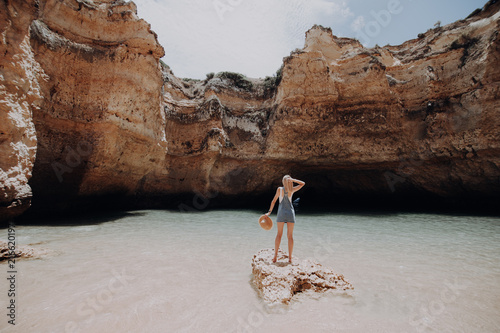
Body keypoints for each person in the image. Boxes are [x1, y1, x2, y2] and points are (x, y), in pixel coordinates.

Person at [265, 175, 305, 264]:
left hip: (281, 213)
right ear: (290, 182)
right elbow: (303, 183)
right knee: (290, 236)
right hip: (290, 213)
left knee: (279, 234)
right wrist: (293, 180)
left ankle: (275, 256)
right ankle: (290, 258)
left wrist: (269, 212)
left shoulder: (279, 189)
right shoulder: (292, 190)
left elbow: (273, 201)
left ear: (283, 181)